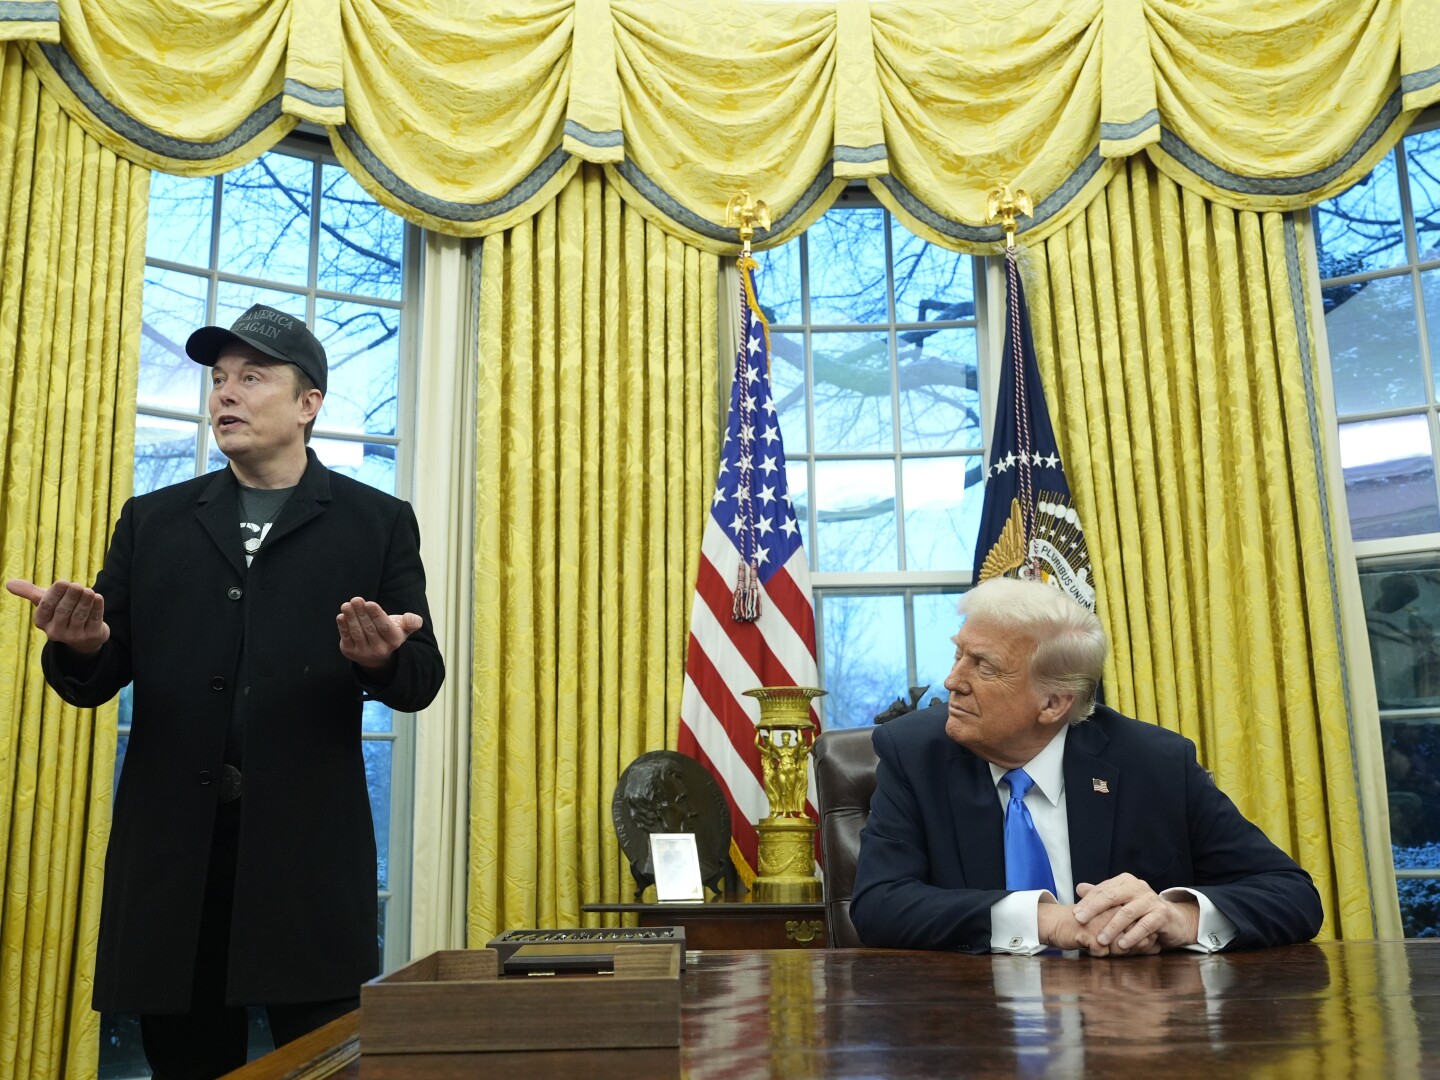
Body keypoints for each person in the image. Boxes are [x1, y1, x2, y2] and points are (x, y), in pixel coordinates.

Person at [7, 303, 445, 1078]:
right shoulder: (153, 522)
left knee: (331, 1066)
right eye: (217, 380)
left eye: (251, 377)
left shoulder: (376, 523)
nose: (224, 396)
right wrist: (85, 645)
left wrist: (377, 660)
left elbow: (419, 679)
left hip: (307, 869)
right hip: (177, 865)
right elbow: (98, 676)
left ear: (309, 404)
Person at [849, 576, 1323, 955]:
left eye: (984, 666)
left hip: (1129, 1031)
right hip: (969, 1026)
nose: (953, 680)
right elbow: (880, 906)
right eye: (958, 655)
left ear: (1053, 703)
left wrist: (1179, 918)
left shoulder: (1154, 763)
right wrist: (1047, 920)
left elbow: (1292, 895)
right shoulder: (914, 752)